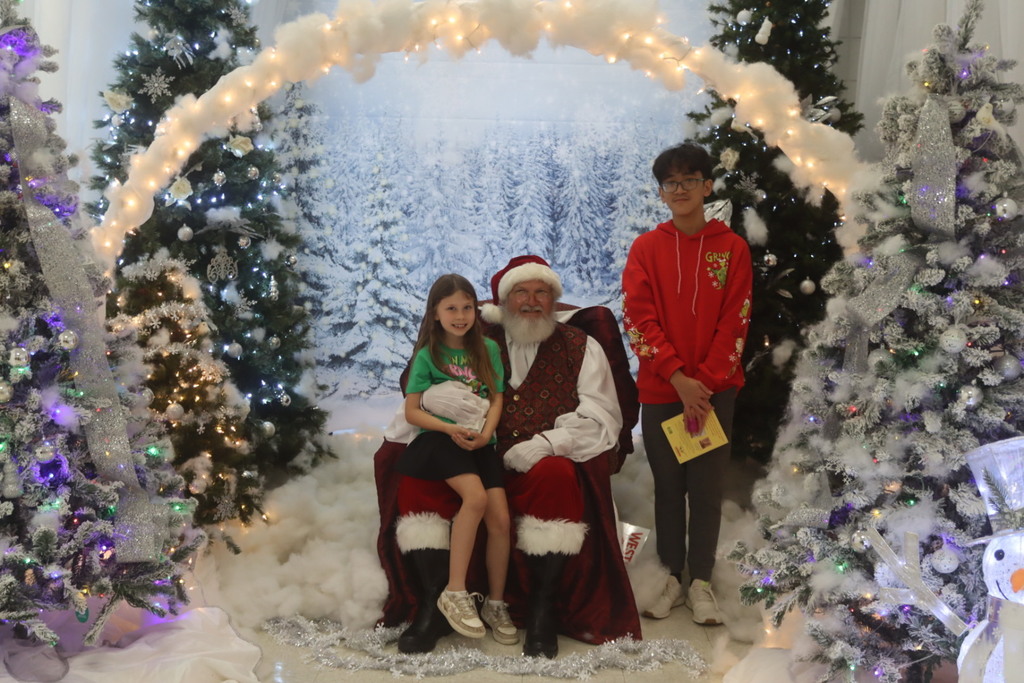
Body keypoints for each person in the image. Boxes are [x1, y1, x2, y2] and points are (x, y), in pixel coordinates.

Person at [378, 255, 640, 659]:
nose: (532, 301)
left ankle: (541, 608)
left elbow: (602, 414)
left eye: (542, 293)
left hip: (537, 461)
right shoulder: (474, 344)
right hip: (475, 454)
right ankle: (434, 604)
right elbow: (425, 387)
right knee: (419, 478)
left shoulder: (580, 347)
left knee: (556, 476)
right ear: (503, 301)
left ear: (554, 300)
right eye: (521, 292)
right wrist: (430, 399)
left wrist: (549, 443)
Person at [621, 142, 752, 625]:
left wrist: (706, 386)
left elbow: (735, 321)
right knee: (668, 487)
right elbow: (639, 319)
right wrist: (677, 378)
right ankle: (671, 576)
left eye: (688, 181)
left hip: (717, 392)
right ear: (661, 193)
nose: (679, 190)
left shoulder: (731, 249)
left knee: (706, 488)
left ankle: (701, 581)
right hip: (661, 391)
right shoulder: (647, 249)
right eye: (670, 183)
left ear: (707, 186)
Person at [395, 274, 517, 648]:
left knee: (500, 520)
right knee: (476, 499)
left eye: (467, 307)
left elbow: (496, 398)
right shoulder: (427, 355)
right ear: (435, 313)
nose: (460, 315)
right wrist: (449, 430)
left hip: (480, 441)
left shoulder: (489, 350)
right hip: (440, 440)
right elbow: (412, 411)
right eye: (451, 308)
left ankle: (495, 604)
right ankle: (455, 591)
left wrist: (486, 434)